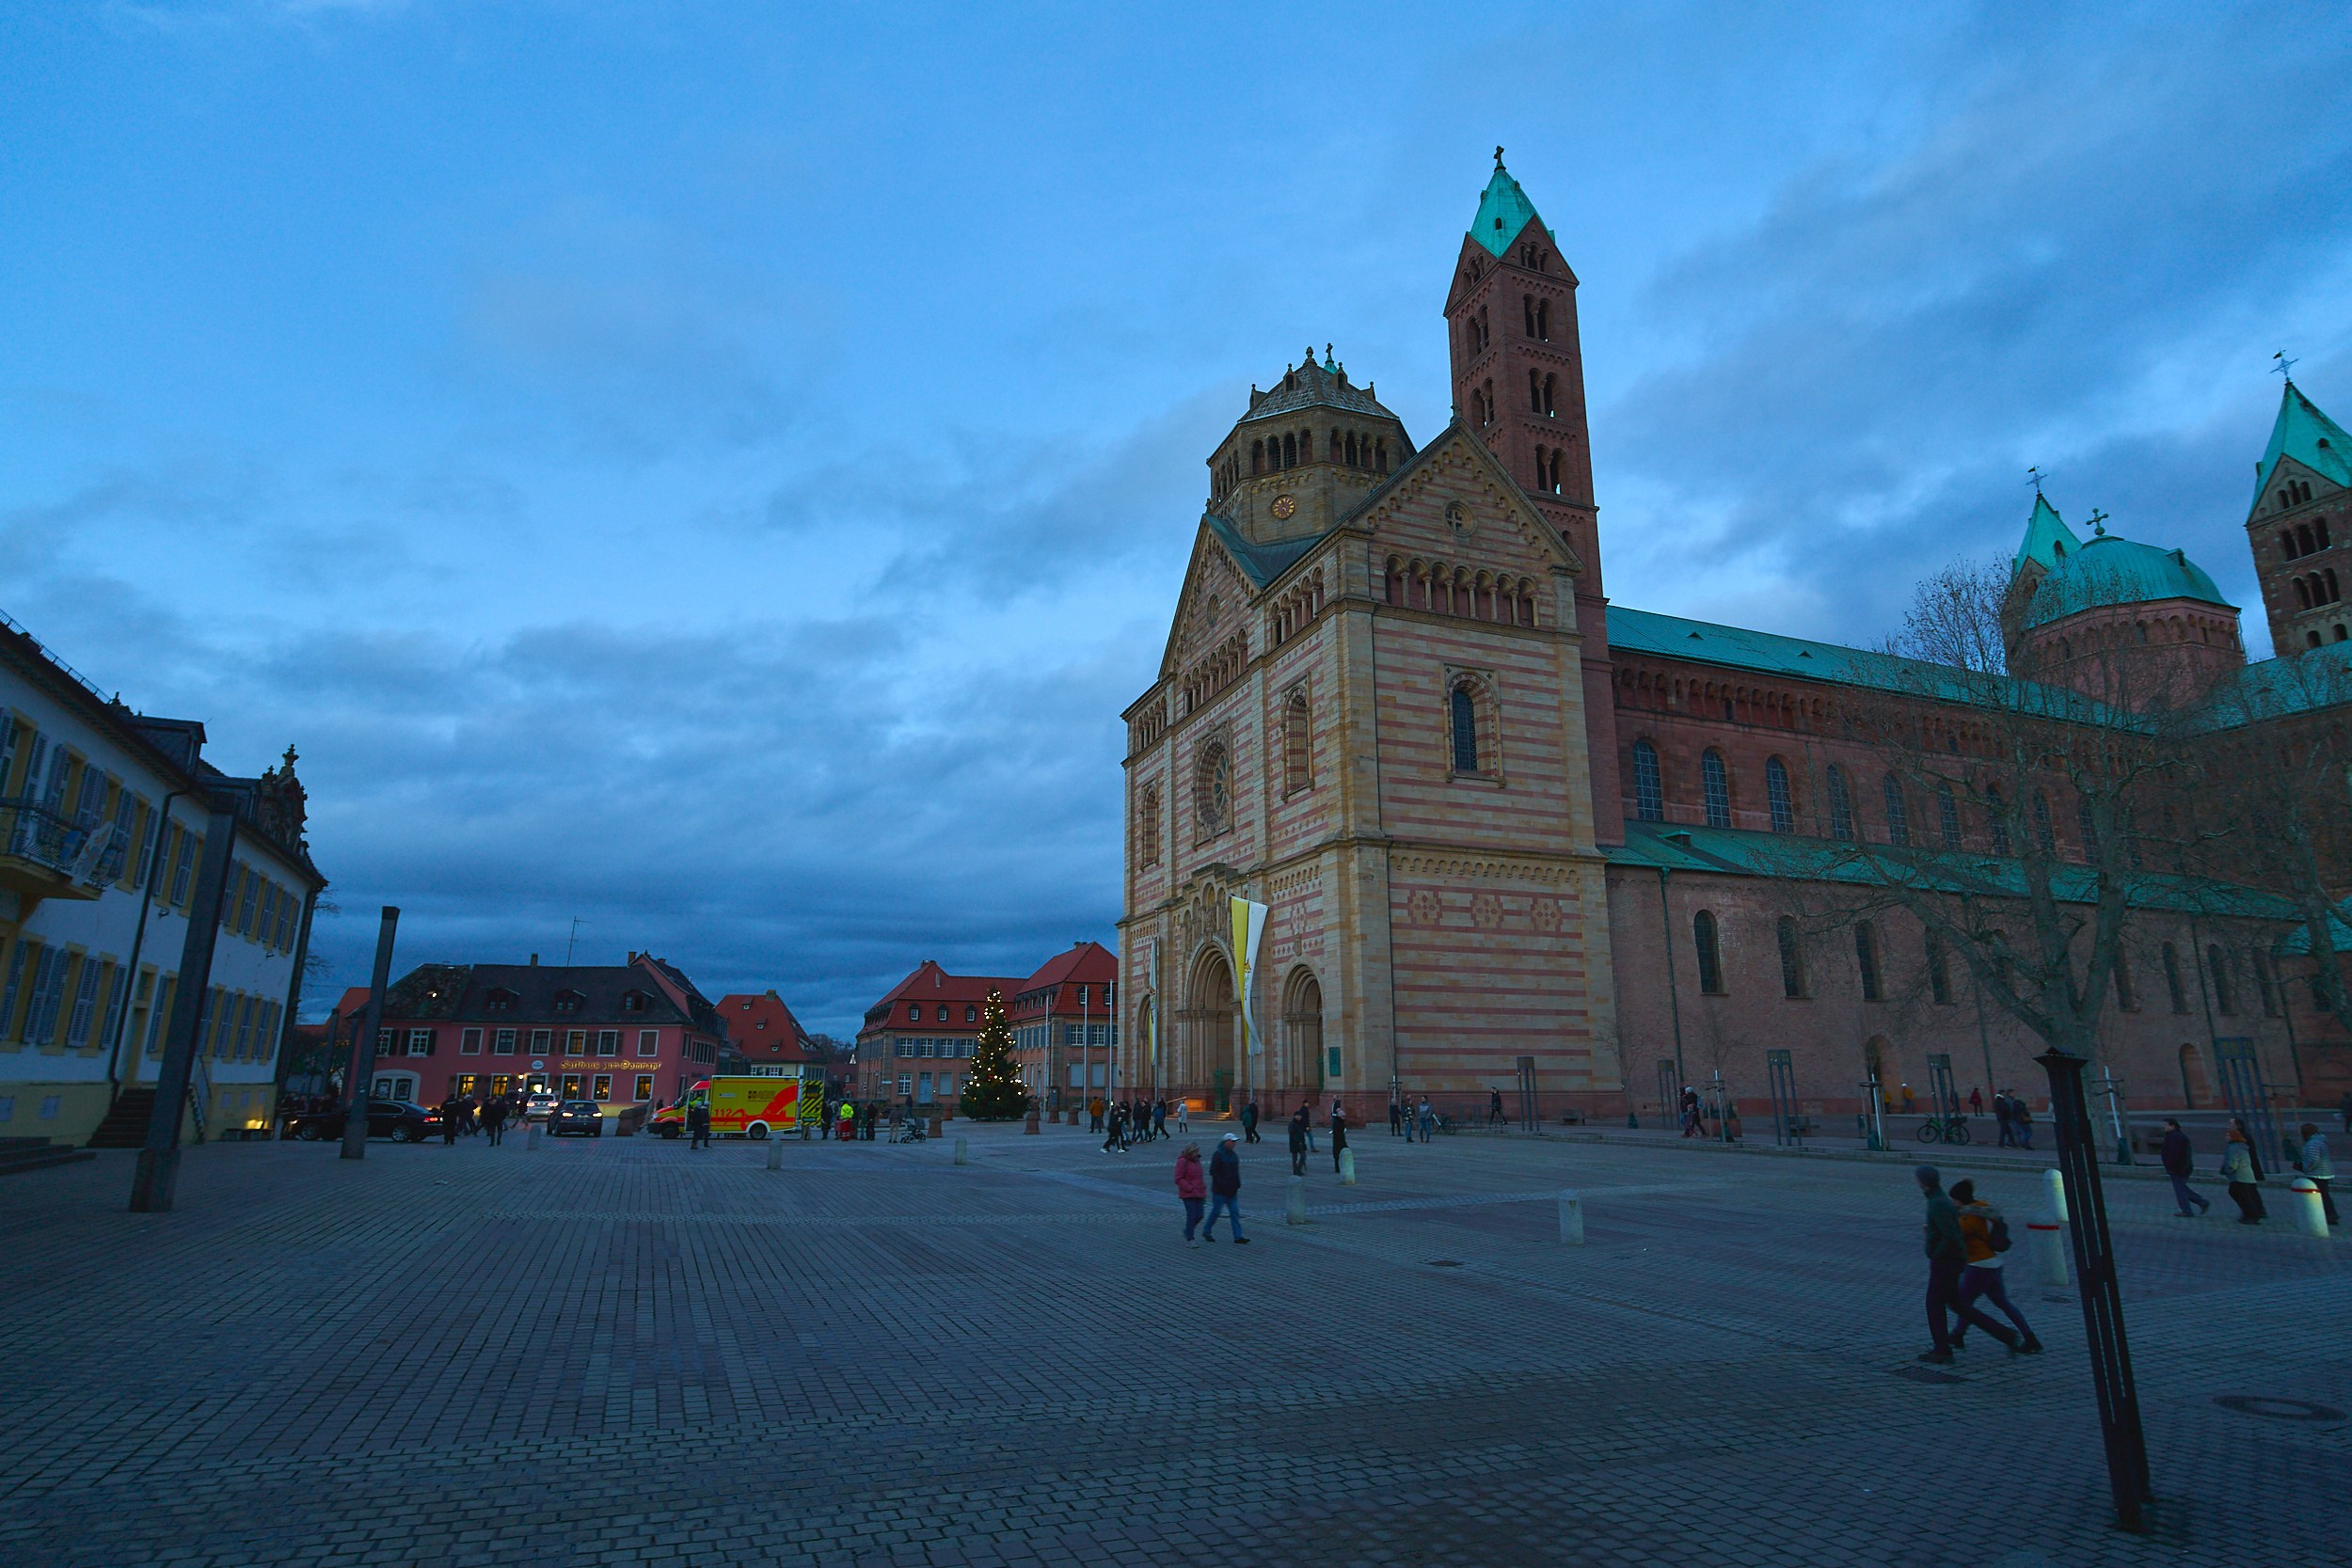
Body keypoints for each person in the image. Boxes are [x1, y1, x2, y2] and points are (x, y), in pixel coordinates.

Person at [1915, 1164, 2017, 1362]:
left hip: (1947, 1261)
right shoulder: (1939, 1200)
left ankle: (1942, 1350)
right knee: (1958, 1304)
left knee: (1934, 1303)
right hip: (1953, 1260)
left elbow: (1951, 1235)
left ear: (1923, 1182)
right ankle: (2005, 1334)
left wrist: (1936, 1253)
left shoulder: (1938, 1203)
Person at [1949, 1178, 2041, 1354]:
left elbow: (1955, 1232)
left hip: (1978, 1266)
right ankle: (2030, 1337)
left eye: (1955, 1200)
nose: (1953, 1202)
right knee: (2002, 1303)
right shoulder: (1980, 1207)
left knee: (1964, 1304)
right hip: (1992, 1264)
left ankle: (1958, 1335)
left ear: (1961, 1199)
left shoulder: (1968, 1218)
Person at [2159, 1117, 2210, 1216]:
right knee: (2182, 1188)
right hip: (2179, 1168)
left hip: (2178, 1168)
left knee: (2180, 1190)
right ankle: (2202, 1202)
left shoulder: (2175, 1137)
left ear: (2172, 1126)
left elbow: (2176, 1154)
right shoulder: (2173, 1136)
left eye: (2166, 1125)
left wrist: (2173, 1167)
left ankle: (2187, 1210)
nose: (2164, 1127)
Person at [1202, 1132, 1248, 1243]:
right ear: (1226, 1142)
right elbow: (1213, 1171)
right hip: (1220, 1190)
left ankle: (1238, 1236)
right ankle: (1207, 1231)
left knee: (1234, 1212)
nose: (1234, 1144)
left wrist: (1237, 1183)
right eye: (1232, 1141)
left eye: (1234, 1142)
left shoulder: (1233, 1155)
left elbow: (1235, 1172)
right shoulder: (1218, 1154)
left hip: (1232, 1190)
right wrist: (1222, 1184)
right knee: (1216, 1211)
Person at [2295, 1122, 2339, 1226]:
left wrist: (2305, 1168)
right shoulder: (2320, 1141)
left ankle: (2329, 1215)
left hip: (2317, 1173)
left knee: (2320, 1196)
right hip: (2325, 1171)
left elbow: (2313, 1160)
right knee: (2324, 1194)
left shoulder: (2312, 1143)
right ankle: (2330, 1215)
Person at [2220, 1125, 2265, 1224]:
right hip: (2246, 1175)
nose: (2226, 1137)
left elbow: (2233, 1162)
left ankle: (2252, 1215)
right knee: (2242, 1195)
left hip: (2239, 1175)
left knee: (2239, 1194)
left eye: (2228, 1135)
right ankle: (2249, 1214)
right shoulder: (2242, 1146)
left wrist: (2229, 1170)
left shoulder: (2234, 1147)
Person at [1175, 1142, 1208, 1246]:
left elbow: (1199, 1177)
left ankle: (1187, 1231)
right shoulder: (1182, 1161)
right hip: (1188, 1193)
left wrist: (1203, 1189)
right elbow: (1178, 1178)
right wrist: (1188, 1187)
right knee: (1192, 1215)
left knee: (1200, 1215)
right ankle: (1190, 1238)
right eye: (1195, 1152)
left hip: (1199, 1192)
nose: (1197, 1154)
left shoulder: (1197, 1161)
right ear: (1191, 1152)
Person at [1288, 1102, 1310, 1176]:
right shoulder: (1292, 1124)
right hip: (1294, 1143)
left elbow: (1303, 1131)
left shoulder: (1301, 1123)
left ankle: (1298, 1169)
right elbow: (1292, 1133)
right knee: (1295, 1158)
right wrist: (1297, 1140)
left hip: (1301, 1142)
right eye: (1298, 1116)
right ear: (1295, 1116)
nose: (1300, 1117)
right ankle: (1296, 1171)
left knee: (1303, 1156)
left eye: (1300, 1116)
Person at [1330, 1099, 1350, 1174]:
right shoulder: (1337, 1122)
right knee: (1339, 1153)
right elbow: (1337, 1131)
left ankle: (1340, 1167)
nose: (1344, 1117)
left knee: (1342, 1153)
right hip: (1338, 1139)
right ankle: (1338, 1167)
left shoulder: (1339, 1121)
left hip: (1340, 1139)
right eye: (1343, 1116)